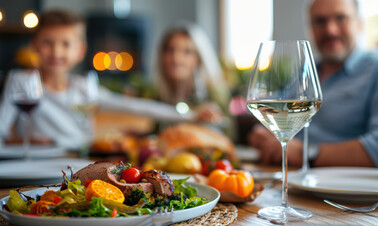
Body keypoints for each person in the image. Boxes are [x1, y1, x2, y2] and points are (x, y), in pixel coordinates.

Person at [0, 10, 216, 149]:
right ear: (35, 45)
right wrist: (27, 143)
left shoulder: (83, 87)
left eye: (66, 44)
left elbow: (132, 106)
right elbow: (2, 132)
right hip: (35, 163)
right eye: (48, 42)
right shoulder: (20, 82)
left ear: (80, 51)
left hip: (80, 164)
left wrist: (190, 116)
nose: (56, 51)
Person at [248, 0, 378, 170]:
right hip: (296, 186)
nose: (330, 30)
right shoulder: (308, 72)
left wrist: (304, 153)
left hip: (356, 195)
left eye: (340, 18)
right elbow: (274, 106)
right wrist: (264, 133)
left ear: (359, 23)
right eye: (320, 21)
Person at [153, 22, 230, 123]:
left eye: (187, 52)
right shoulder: (160, 95)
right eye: (170, 50)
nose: (176, 58)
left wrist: (212, 121)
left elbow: (229, 136)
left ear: (199, 58)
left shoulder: (215, 94)